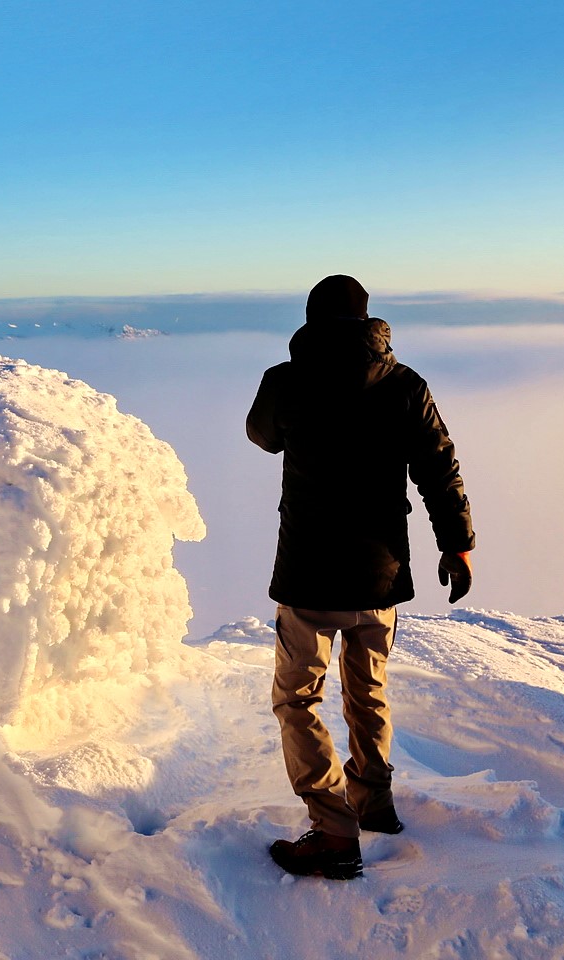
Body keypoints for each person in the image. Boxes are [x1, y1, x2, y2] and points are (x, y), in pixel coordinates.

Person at [246, 275, 475, 880]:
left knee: (298, 698)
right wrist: (458, 546)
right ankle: (373, 802)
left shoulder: (285, 381)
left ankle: (333, 831)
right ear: (370, 321)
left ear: (311, 320)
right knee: (366, 692)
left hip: (308, 575)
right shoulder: (404, 385)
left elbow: (261, 436)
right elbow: (439, 468)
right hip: (379, 577)